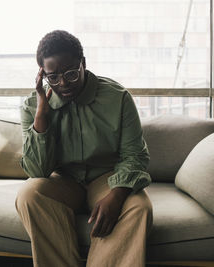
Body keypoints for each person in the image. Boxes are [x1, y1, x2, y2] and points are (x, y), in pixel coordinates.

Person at [15, 30, 153, 267]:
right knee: (29, 195)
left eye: (70, 73)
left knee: (139, 207)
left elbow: (135, 155)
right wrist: (42, 113)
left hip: (106, 177)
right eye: (53, 77)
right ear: (42, 75)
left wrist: (117, 195)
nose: (63, 83)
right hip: (63, 179)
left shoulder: (118, 98)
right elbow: (37, 170)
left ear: (83, 64)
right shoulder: (33, 105)